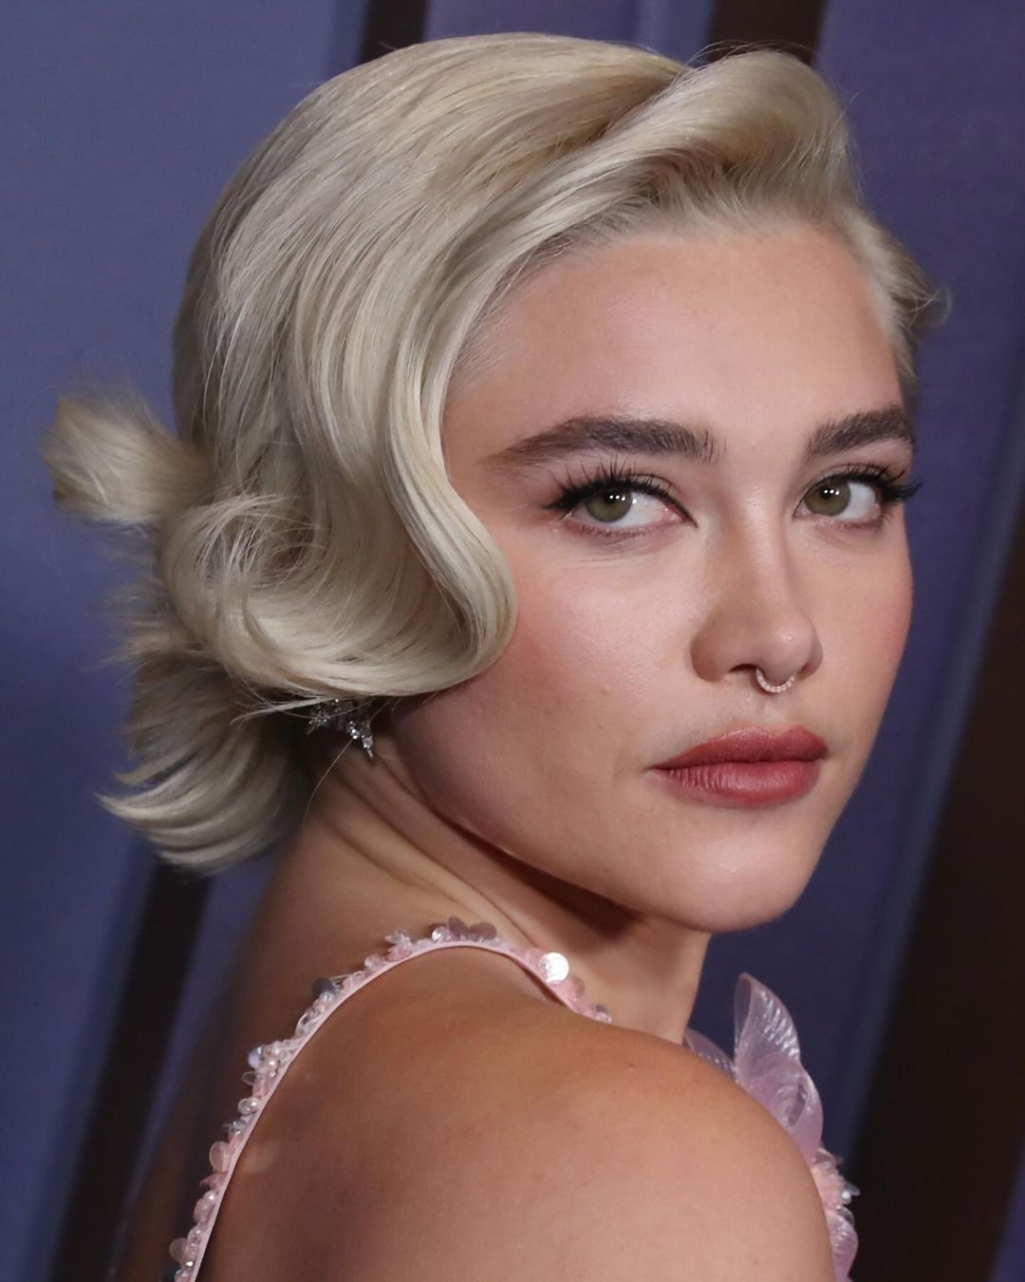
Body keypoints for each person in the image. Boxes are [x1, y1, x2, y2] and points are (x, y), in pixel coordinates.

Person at [44, 32, 936, 1281]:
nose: (780, 634)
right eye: (616, 500)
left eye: (841, 490)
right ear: (321, 546)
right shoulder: (619, 1164)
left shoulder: (353, 1039)